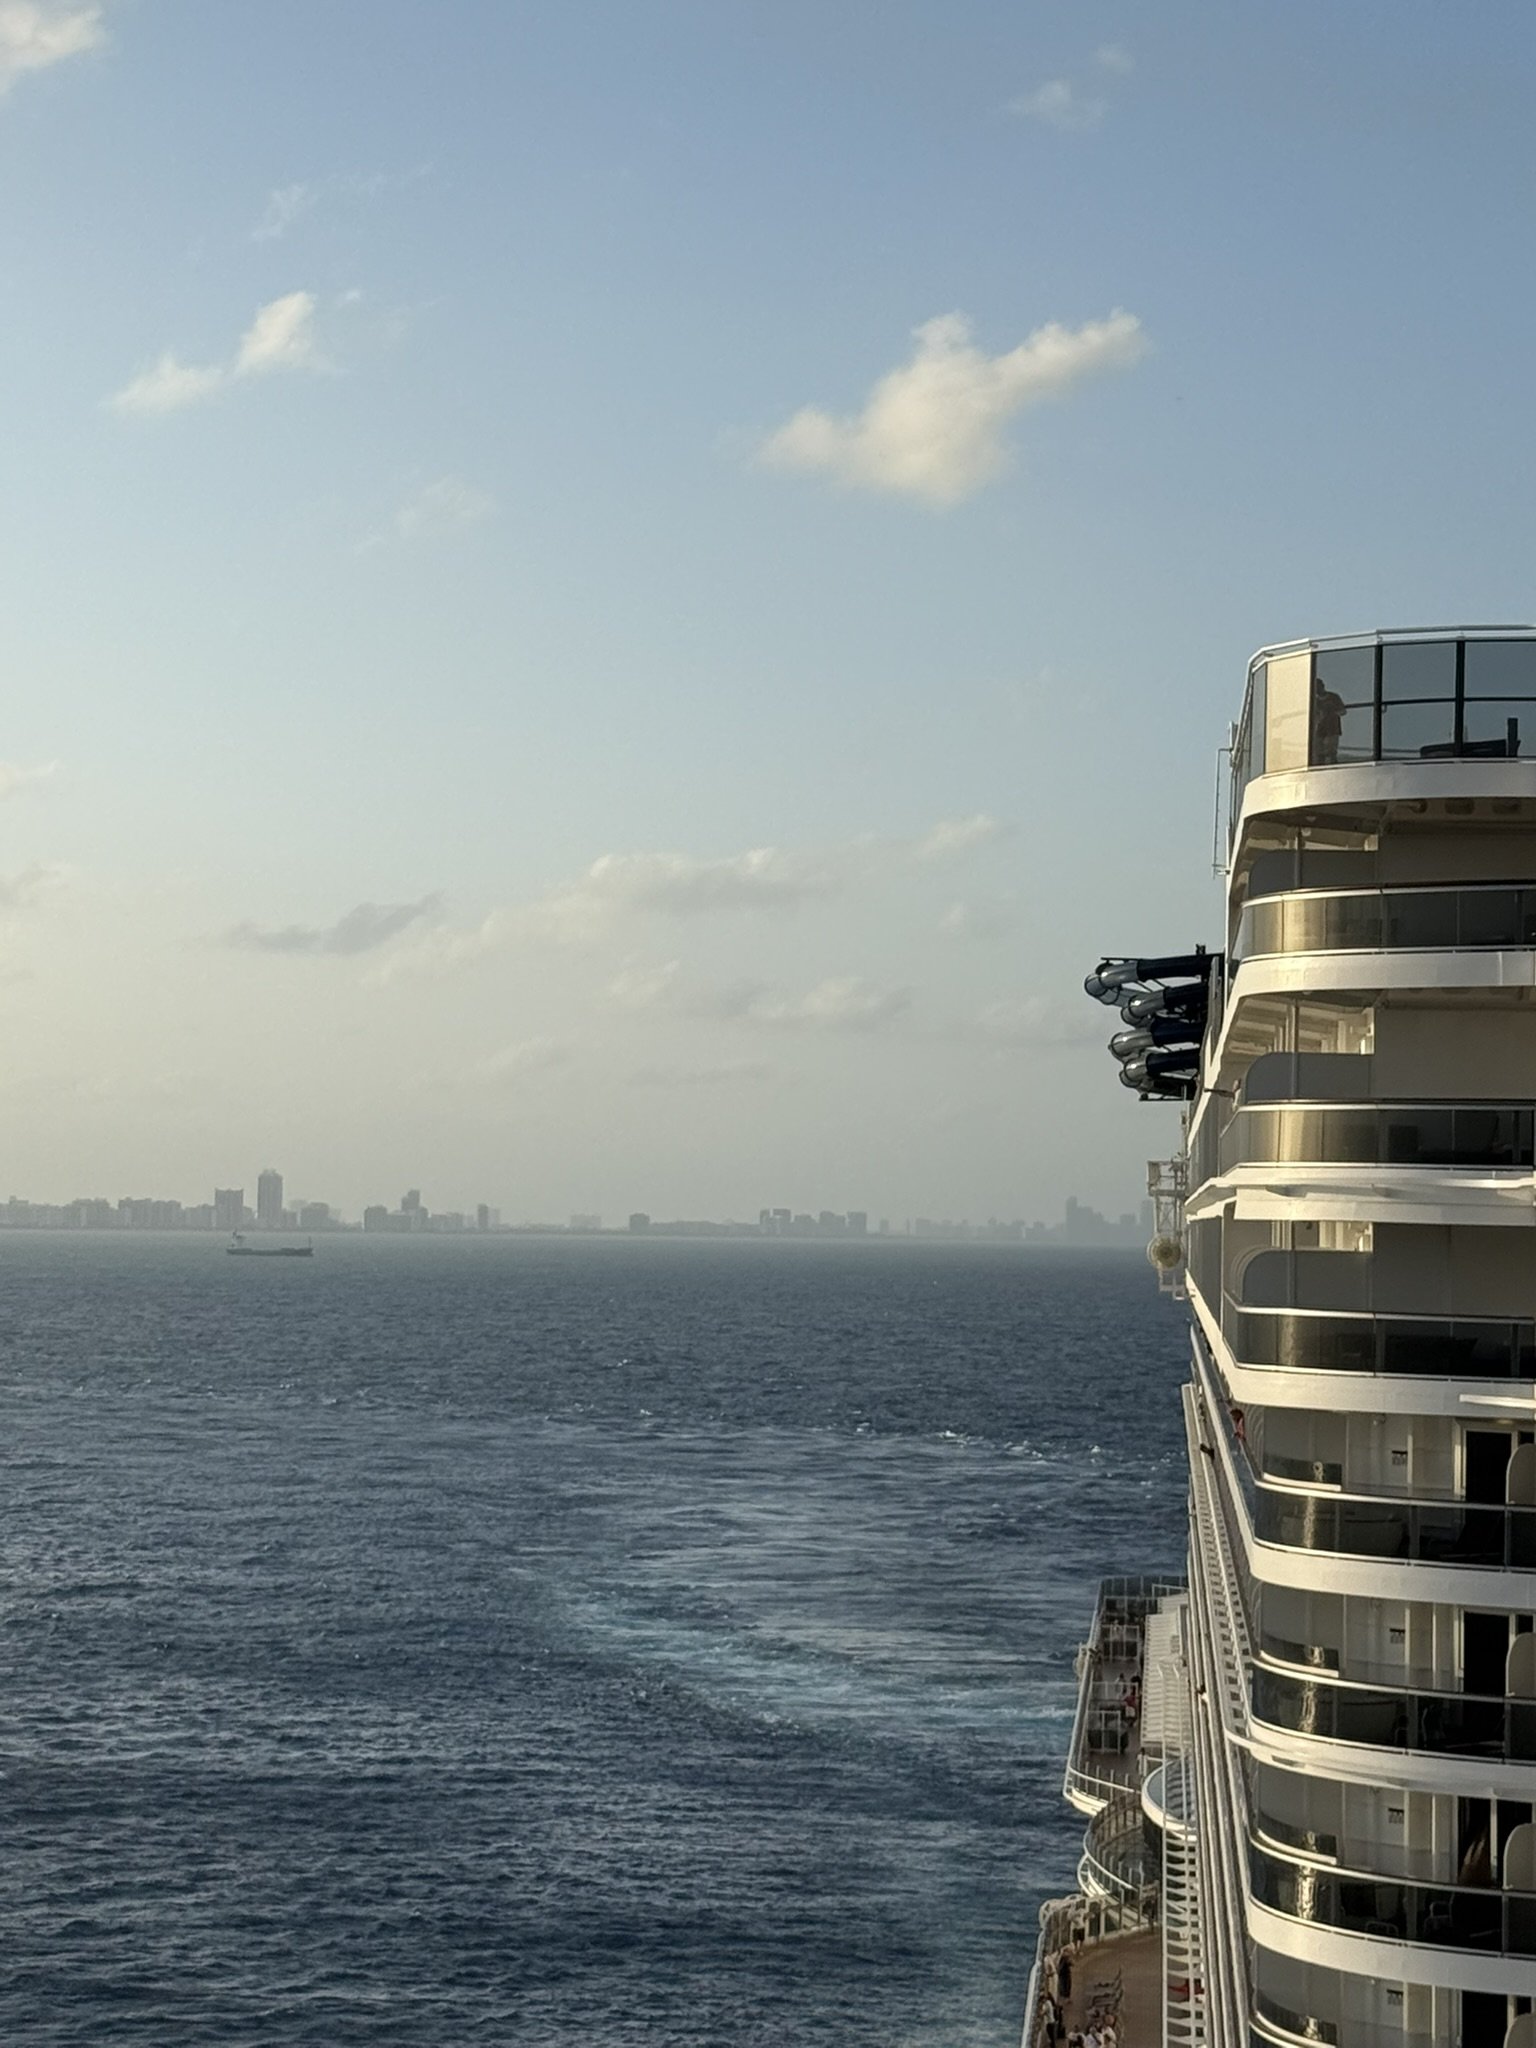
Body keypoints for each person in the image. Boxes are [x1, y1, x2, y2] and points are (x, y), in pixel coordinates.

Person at [1312, 676, 1345, 764]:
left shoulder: (1333, 697)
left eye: (1318, 687)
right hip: (1320, 729)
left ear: (1322, 686)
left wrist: (1332, 713)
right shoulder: (1314, 701)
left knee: (1330, 752)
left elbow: (1343, 711)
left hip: (1332, 728)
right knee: (1318, 753)